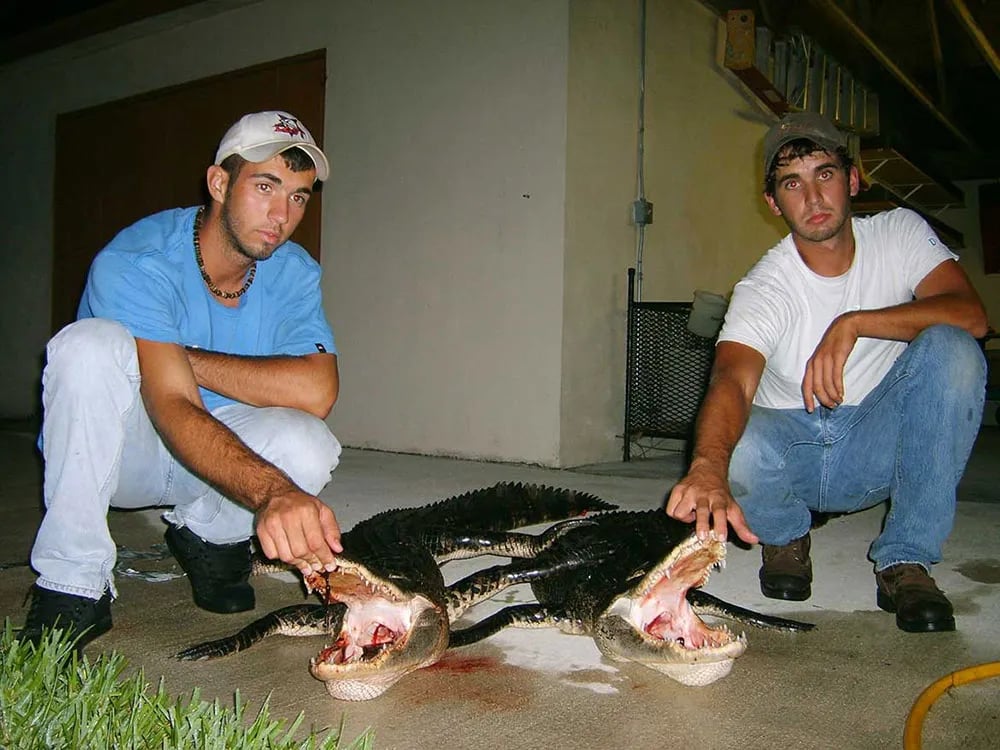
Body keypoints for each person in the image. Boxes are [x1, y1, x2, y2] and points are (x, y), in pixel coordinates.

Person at [21, 110, 345, 651]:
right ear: (219, 182)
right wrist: (272, 493)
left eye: (298, 196)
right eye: (265, 186)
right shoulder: (137, 260)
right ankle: (71, 582)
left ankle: (210, 537)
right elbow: (169, 401)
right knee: (90, 345)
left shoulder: (292, 270)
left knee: (309, 441)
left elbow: (317, 391)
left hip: (215, 457)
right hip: (128, 452)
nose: (281, 214)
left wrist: (168, 351)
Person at [666, 111, 988, 633]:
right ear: (774, 203)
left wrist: (856, 323)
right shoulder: (764, 288)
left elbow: (971, 315)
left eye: (825, 174)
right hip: (790, 454)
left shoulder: (899, 235)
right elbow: (733, 380)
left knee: (954, 350)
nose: (813, 198)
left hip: (875, 444)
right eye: (792, 183)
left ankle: (906, 559)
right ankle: (785, 535)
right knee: (737, 442)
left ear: (853, 180)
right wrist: (706, 466)